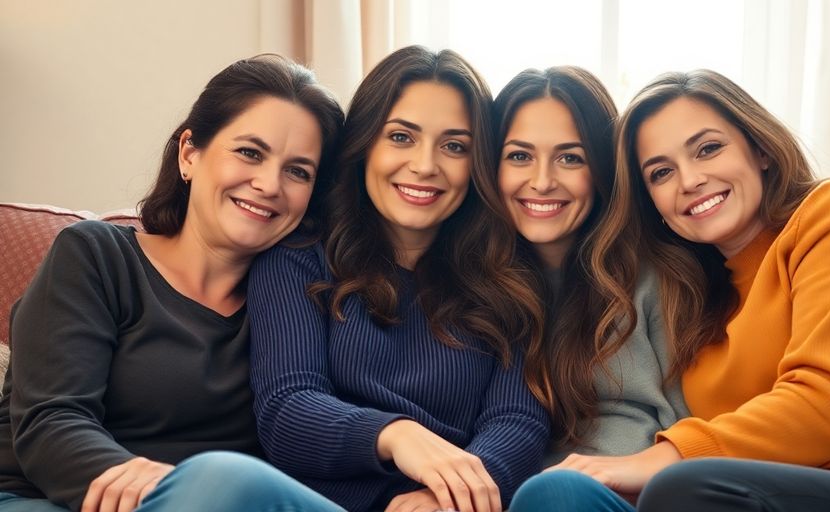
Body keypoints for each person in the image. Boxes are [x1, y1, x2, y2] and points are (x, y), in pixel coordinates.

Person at [511, 69, 830, 512]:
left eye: (708, 148)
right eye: (661, 173)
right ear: (652, 202)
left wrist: (660, 459)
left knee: (687, 487)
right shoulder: (687, 298)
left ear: (758, 147)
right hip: (764, 494)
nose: (689, 180)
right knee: (554, 494)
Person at [0, 55, 346, 512]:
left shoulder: (300, 305)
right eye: (250, 152)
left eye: (298, 171)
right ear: (189, 154)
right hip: (48, 499)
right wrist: (169, 488)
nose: (268, 184)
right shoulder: (96, 256)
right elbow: (52, 422)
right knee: (223, 478)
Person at [247, 45, 549, 512]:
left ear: (478, 164)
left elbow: (517, 422)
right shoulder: (298, 258)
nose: (426, 165)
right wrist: (395, 434)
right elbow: (288, 408)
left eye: (454, 146)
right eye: (402, 137)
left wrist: (445, 497)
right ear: (365, 143)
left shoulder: (508, 280)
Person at [492, 66, 687, 463]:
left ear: (600, 169)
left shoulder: (657, 277)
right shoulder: (476, 279)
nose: (542, 181)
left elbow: (690, 426)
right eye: (520, 156)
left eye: (569, 157)